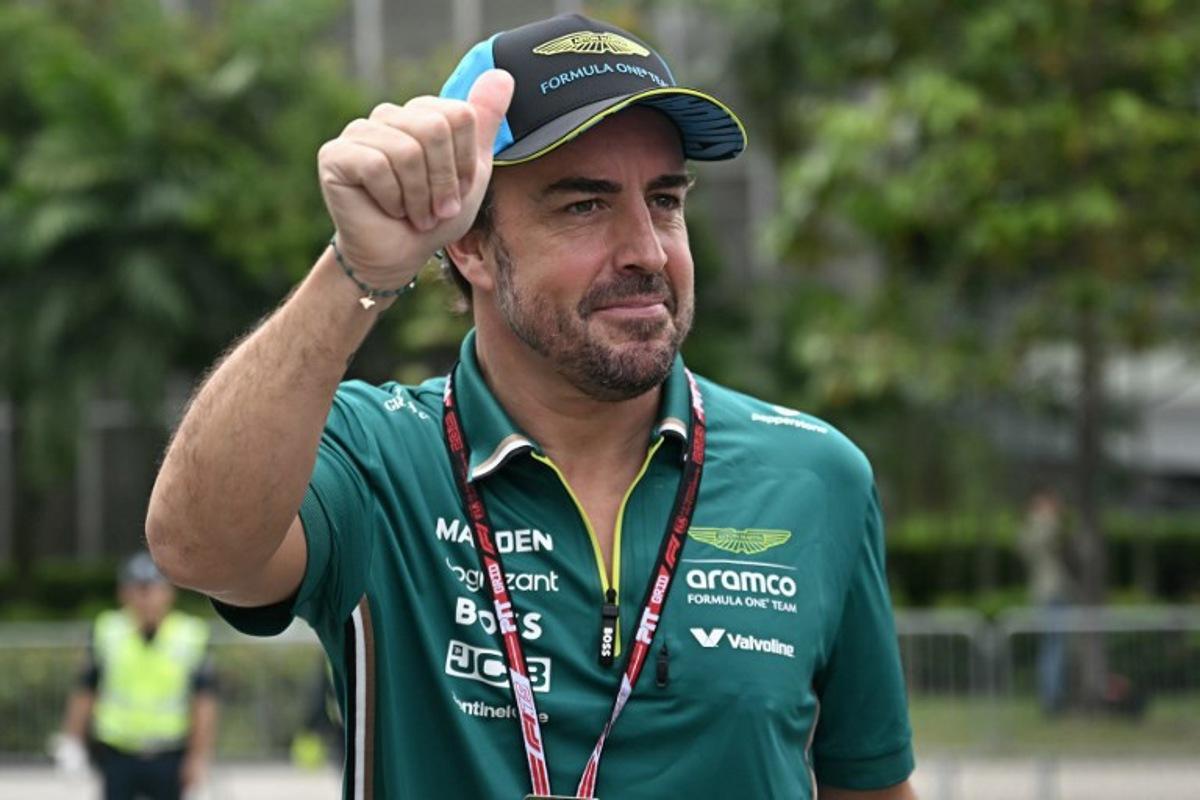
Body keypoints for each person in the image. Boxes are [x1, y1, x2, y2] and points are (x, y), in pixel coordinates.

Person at [146, 13, 916, 799]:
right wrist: (355, 272)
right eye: (584, 205)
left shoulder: (816, 475)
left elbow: (869, 785)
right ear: (470, 245)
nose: (647, 250)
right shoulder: (377, 454)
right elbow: (199, 549)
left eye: (665, 200)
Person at [53, 552, 218, 800]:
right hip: (118, 752)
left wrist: (198, 757)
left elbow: (204, 702)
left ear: (169, 593)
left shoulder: (191, 634)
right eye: (139, 589)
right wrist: (72, 740)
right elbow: (86, 689)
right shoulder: (107, 630)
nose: (146, 598)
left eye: (153, 589)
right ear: (123, 593)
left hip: (170, 752)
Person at [1017, 488, 1072, 714]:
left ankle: (1054, 694)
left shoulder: (1030, 529)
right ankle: (1051, 698)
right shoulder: (1039, 527)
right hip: (1051, 594)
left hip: (1052, 593)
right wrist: (1047, 515)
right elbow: (1042, 539)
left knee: (1053, 647)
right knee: (1053, 647)